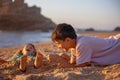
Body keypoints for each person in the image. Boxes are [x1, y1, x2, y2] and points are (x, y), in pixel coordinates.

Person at [47, 23, 120, 68]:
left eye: (59, 44)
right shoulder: (75, 45)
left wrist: (59, 60)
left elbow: (79, 67)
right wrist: (67, 58)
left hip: (117, 46)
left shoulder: (82, 44)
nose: (59, 47)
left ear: (68, 40)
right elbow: (75, 62)